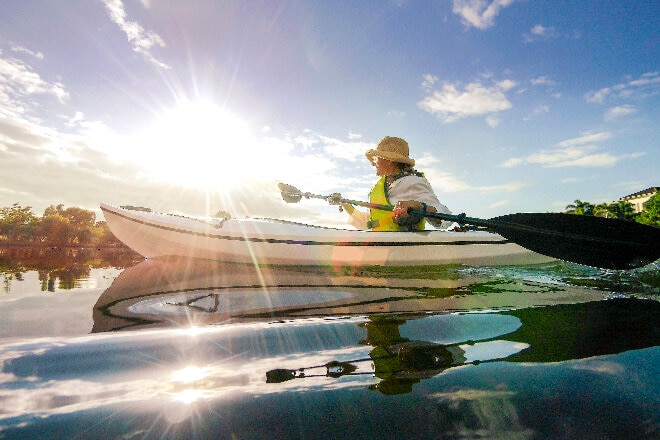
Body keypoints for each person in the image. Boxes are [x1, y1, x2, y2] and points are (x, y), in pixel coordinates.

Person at [330, 136, 452, 231]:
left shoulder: (413, 182)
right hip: (379, 249)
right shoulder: (379, 186)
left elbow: (445, 216)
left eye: (376, 158)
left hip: (404, 251)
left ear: (389, 161)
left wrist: (420, 206)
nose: (373, 163)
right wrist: (344, 202)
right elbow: (365, 223)